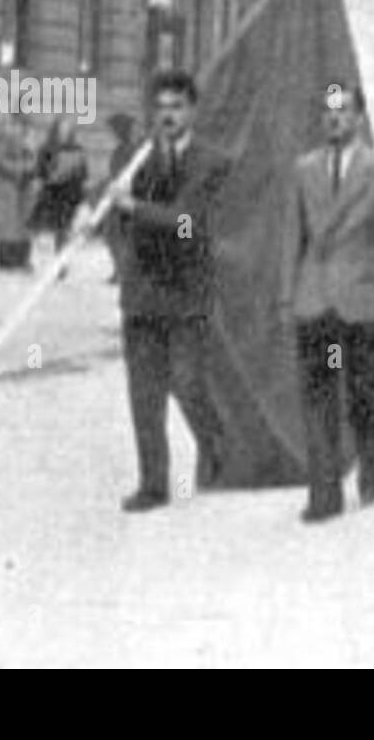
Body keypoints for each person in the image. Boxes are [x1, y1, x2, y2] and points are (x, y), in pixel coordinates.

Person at [279, 85, 374, 522]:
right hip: (316, 303)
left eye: (343, 111)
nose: (333, 119)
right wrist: (287, 295)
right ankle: (324, 495)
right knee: (318, 396)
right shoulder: (303, 170)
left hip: (360, 305)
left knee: (360, 395)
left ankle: (370, 450)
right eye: (327, 111)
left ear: (359, 117)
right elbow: (290, 238)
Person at [107, 70, 232, 513]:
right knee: (144, 394)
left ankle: (213, 444)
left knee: (186, 381)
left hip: (187, 294)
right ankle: (153, 483)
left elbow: (186, 223)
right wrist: (97, 210)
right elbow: (117, 219)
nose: (167, 116)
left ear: (192, 111)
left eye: (176, 107)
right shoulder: (137, 159)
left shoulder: (212, 162)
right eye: (160, 108)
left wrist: (132, 207)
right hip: (142, 291)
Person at [31, 117, 87, 271]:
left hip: (70, 195)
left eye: (68, 129)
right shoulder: (46, 148)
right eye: (62, 128)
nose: (65, 132)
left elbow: (83, 173)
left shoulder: (77, 149)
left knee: (64, 230)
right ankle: (50, 260)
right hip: (51, 194)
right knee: (49, 229)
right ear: (55, 130)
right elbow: (40, 170)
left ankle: (61, 263)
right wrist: (41, 181)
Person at [0, 113, 37, 270]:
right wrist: (17, 171)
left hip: (25, 185)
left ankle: (23, 259)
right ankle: (6, 260)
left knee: (26, 223)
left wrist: (29, 168)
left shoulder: (30, 133)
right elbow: (0, 158)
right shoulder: (4, 130)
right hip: (7, 184)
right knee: (6, 224)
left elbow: (34, 156)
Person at [103, 113, 141, 285]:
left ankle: (122, 271)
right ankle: (120, 270)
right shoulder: (122, 149)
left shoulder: (127, 151)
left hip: (125, 200)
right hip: (118, 199)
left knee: (118, 237)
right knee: (114, 236)